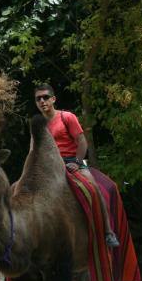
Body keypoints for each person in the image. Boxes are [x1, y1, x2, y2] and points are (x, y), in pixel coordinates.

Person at [34, 83, 120, 248]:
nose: (42, 101)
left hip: (71, 161)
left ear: (53, 99)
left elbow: (82, 141)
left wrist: (77, 162)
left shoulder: (67, 117)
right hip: (48, 166)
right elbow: (34, 150)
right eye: (38, 99)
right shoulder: (38, 124)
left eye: (45, 97)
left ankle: (108, 232)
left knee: (93, 189)